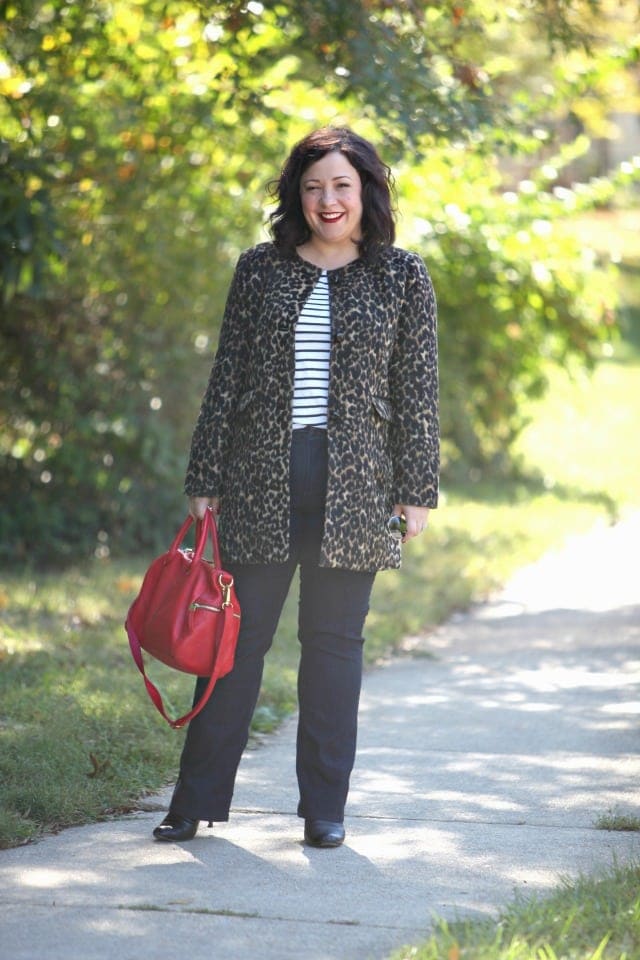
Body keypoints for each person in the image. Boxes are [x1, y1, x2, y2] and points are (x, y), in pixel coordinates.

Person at [153, 126, 439, 847]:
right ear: (297, 196)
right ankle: (192, 802)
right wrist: (205, 475)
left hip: (355, 487)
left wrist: (417, 491)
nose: (327, 200)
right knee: (234, 642)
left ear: (365, 190)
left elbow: (416, 392)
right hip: (258, 477)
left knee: (334, 645)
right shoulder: (260, 270)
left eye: (341, 185)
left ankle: (324, 812)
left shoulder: (402, 276)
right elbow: (229, 376)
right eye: (313, 187)